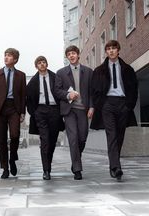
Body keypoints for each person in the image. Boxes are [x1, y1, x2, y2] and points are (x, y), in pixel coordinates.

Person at [90, 40, 138, 181]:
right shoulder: (99, 70)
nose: (111, 51)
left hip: (123, 103)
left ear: (118, 50)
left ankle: (114, 164)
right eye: (108, 49)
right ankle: (116, 167)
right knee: (111, 135)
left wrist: (129, 105)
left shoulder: (128, 69)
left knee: (120, 135)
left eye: (114, 48)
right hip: (107, 105)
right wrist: (101, 105)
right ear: (106, 52)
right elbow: (94, 90)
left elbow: (134, 88)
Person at [55, 45, 94, 180]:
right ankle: (77, 169)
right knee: (73, 138)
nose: (71, 56)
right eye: (68, 54)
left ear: (78, 55)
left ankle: (76, 159)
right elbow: (57, 91)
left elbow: (92, 91)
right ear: (67, 57)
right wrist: (68, 95)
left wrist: (92, 107)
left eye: (73, 53)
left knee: (82, 137)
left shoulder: (88, 71)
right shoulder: (61, 73)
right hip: (69, 110)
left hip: (83, 109)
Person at [0, 48, 26, 179]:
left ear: (15, 59)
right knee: (1, 139)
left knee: (15, 135)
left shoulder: (21, 75)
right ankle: (5, 168)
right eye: (5, 55)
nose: (6, 58)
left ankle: (12, 158)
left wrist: (22, 112)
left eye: (9, 56)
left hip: (14, 108)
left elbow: (22, 95)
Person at [26, 56, 64, 180]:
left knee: (52, 141)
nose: (42, 64)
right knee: (45, 140)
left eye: (43, 62)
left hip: (54, 111)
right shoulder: (32, 82)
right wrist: (34, 112)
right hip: (40, 112)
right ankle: (46, 170)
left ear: (46, 64)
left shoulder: (55, 77)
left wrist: (60, 111)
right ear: (36, 66)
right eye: (39, 63)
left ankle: (48, 164)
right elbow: (29, 99)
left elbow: (61, 92)